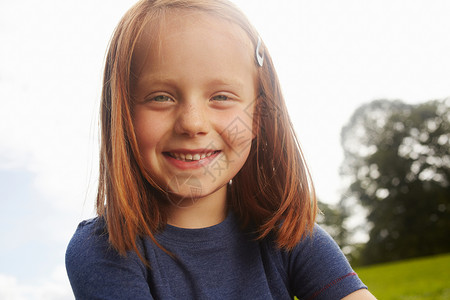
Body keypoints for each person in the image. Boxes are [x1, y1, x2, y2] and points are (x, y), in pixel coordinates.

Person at [66, 0, 377, 299]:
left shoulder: (289, 237)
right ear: (123, 117)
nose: (193, 123)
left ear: (259, 116)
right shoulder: (102, 249)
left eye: (222, 97)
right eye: (161, 97)